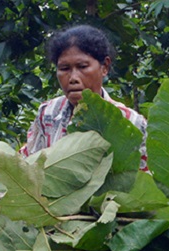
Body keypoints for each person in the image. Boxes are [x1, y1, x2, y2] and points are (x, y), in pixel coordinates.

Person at [20, 25, 148, 170]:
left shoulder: (131, 122)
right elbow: (27, 165)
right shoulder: (48, 114)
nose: (73, 78)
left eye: (82, 67)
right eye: (64, 69)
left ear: (104, 67)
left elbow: (143, 182)